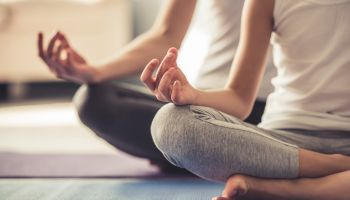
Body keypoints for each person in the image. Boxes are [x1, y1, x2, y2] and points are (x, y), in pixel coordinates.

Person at [141, 0, 350, 199]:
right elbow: (238, 100)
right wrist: (193, 95)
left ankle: (286, 191)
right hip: (282, 141)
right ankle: (336, 169)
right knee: (171, 123)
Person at [37, 0, 274, 171]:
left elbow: (240, 100)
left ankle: (189, 157)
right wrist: (94, 72)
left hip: (265, 110)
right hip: (200, 102)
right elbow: (166, 34)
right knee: (94, 100)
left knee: (181, 127)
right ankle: (196, 156)